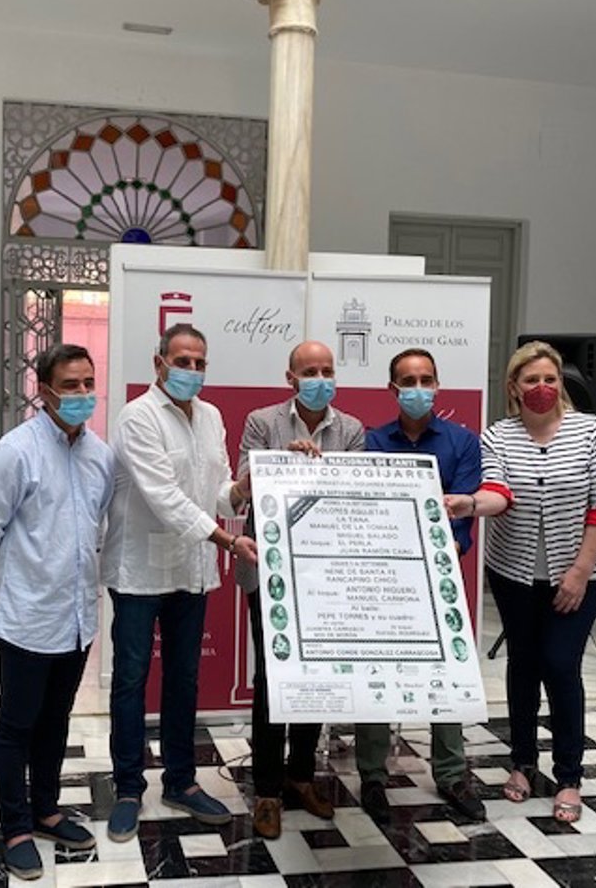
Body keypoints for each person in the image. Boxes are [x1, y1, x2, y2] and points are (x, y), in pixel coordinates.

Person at [445, 340, 596, 824]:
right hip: (514, 573)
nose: (542, 387)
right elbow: (497, 492)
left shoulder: (591, 432)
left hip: (580, 572)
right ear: (514, 387)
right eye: (531, 380)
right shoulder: (498, 436)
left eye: (550, 379)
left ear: (560, 383)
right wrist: (468, 504)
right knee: (523, 665)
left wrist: (579, 573)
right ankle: (523, 762)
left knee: (562, 665)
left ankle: (569, 775)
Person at [0, 344, 115, 881]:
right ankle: (16, 827)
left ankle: (47, 810)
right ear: (44, 391)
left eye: (88, 383)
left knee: (56, 718)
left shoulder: (100, 455)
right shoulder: (13, 454)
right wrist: (9, 588)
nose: (82, 394)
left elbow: (96, 524)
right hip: (26, 616)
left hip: (76, 617)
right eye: (70, 385)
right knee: (16, 723)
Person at [101, 323, 258, 842]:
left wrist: (243, 488)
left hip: (192, 568)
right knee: (130, 679)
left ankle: (180, 781)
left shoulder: (211, 416)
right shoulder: (137, 417)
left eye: (199, 362)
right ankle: (128, 788)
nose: (192, 370)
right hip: (140, 571)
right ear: (159, 363)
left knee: (184, 678)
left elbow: (216, 490)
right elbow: (164, 497)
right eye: (182, 361)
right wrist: (228, 540)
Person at [235, 340, 364, 839]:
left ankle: (301, 776)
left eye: (327, 370)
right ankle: (267, 790)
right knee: (272, 679)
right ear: (290, 378)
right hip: (269, 570)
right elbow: (242, 488)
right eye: (310, 371)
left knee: (317, 677)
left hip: (325, 574)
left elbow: (353, 496)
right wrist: (280, 463)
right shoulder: (262, 422)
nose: (320, 379)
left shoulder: (351, 429)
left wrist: (319, 469)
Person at [356, 348, 486, 824]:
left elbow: (463, 510)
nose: (417, 388)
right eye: (408, 381)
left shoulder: (462, 442)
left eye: (425, 379)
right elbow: (369, 507)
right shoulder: (373, 442)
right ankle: (372, 775)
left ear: (437, 385)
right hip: (384, 577)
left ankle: (451, 774)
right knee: (376, 672)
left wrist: (448, 543)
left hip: (439, 576)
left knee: (445, 675)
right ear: (392, 389)